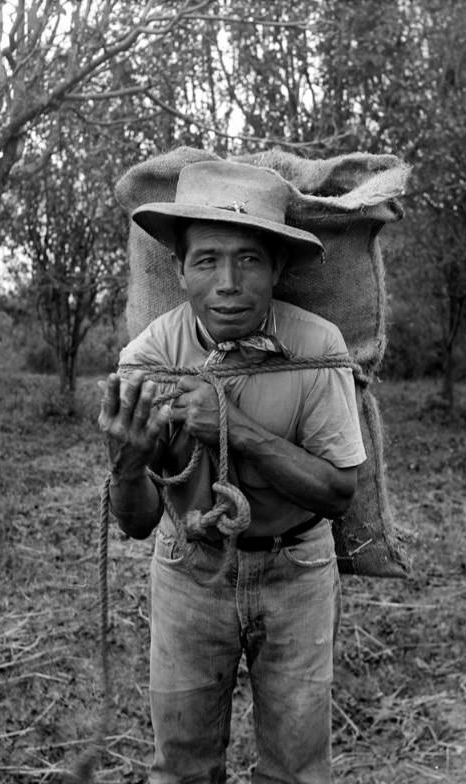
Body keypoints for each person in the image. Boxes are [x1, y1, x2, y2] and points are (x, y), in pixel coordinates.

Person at [99, 160, 367, 784]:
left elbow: (338, 493)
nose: (227, 283)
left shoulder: (318, 349)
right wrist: (127, 463)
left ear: (278, 268)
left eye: (248, 260)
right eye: (207, 260)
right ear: (179, 270)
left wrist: (234, 428)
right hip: (188, 571)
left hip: (297, 569)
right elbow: (137, 524)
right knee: (183, 768)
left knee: (297, 769)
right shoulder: (149, 361)